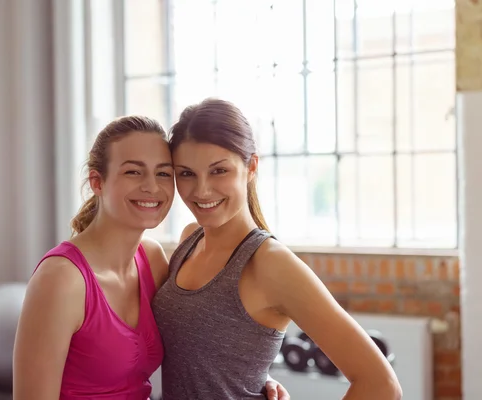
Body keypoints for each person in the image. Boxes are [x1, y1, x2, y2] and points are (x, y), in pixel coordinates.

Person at [12, 115, 289, 400]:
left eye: (163, 173)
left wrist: (256, 377)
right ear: (97, 181)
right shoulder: (61, 279)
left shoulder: (152, 259)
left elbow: (193, 336)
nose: (152, 187)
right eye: (133, 172)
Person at [152, 98, 403, 400]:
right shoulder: (189, 239)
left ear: (251, 167)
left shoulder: (271, 263)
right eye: (187, 173)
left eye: (219, 171)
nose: (202, 190)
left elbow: (381, 384)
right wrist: (255, 376)